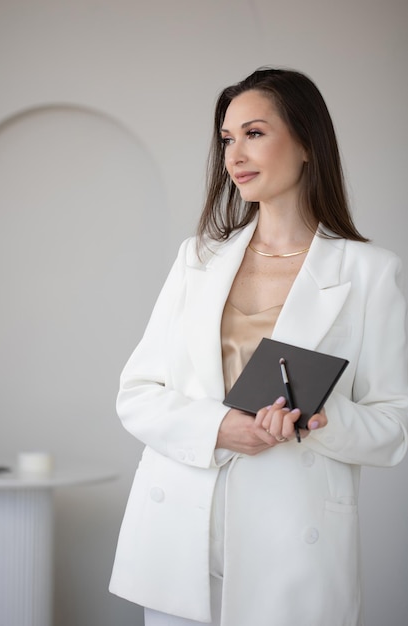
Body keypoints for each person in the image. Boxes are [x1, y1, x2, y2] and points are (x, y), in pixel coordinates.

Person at [109, 68, 408, 626]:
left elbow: (394, 428)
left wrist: (321, 417)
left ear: (306, 145)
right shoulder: (196, 258)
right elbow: (137, 394)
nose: (234, 155)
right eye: (227, 139)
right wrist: (218, 428)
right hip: (180, 542)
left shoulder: (371, 272)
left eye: (254, 133)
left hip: (293, 546)